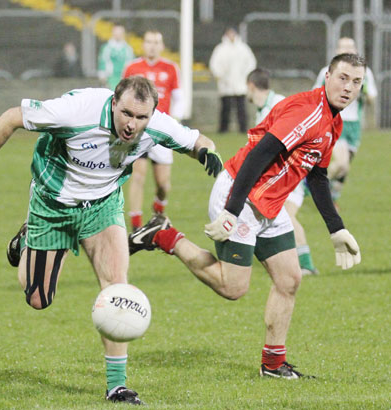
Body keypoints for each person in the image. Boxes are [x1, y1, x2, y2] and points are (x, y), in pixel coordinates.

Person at [0, 76, 223, 405]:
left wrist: (208, 152)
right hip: (52, 204)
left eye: (141, 118)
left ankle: (117, 387)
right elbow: (11, 117)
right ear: (113, 102)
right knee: (38, 298)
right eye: (126, 114)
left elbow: (197, 141)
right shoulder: (77, 111)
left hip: (103, 206)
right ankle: (27, 240)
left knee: (117, 288)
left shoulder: (157, 126)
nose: (132, 125)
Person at [129, 54, 364, 379]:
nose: (348, 87)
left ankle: (273, 365)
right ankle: (163, 234)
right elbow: (260, 153)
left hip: (268, 205)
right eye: (343, 78)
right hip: (239, 194)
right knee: (232, 287)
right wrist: (232, 210)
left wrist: (336, 229)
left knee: (289, 279)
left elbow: (318, 176)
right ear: (327, 76)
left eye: (356, 82)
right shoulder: (308, 111)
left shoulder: (332, 121)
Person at [247, 68, 318, 276]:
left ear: (251, 86)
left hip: (293, 170)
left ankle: (306, 264)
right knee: (261, 212)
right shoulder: (262, 111)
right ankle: (273, 259)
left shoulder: (279, 104)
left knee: (286, 214)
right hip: (277, 173)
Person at [123, 30, 185, 231]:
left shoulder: (170, 68)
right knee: (138, 175)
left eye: (156, 42)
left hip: (161, 130)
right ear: (143, 44)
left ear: (162, 45)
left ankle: (159, 204)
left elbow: (178, 97)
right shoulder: (132, 67)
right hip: (138, 130)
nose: (152, 45)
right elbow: (122, 95)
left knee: (163, 184)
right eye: (148, 41)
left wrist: (175, 122)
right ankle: (136, 225)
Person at [313, 37, 377, 205]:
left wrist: (364, 93)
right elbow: (315, 97)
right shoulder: (327, 71)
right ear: (337, 51)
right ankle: (307, 185)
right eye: (343, 48)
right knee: (342, 164)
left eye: (351, 47)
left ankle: (331, 199)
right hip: (334, 121)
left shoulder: (365, 73)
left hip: (354, 125)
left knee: (344, 169)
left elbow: (371, 98)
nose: (347, 51)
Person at [209, 27, 257, 133]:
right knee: (225, 108)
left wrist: (246, 77)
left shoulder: (243, 48)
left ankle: (243, 129)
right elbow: (215, 64)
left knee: (241, 108)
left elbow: (250, 63)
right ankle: (223, 129)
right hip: (225, 84)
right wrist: (221, 76)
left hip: (240, 83)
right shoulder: (220, 49)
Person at [97, 24, 134, 90]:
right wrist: (103, 78)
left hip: (125, 80)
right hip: (110, 80)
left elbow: (131, 64)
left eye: (120, 32)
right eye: (116, 32)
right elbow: (102, 63)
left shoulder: (128, 49)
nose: (118, 34)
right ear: (112, 32)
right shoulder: (106, 48)